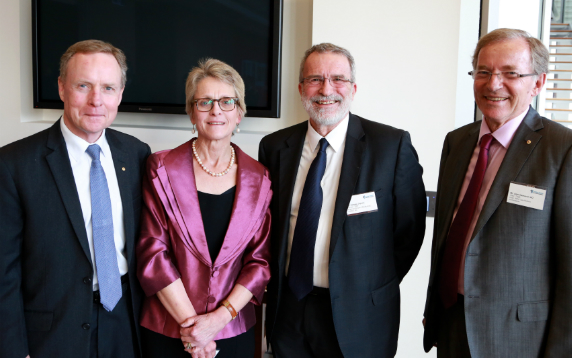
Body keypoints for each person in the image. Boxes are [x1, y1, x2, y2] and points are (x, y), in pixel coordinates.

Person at [423, 28, 572, 357]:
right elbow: (447, 237)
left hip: (520, 340)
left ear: (538, 83)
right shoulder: (457, 143)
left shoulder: (568, 152)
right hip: (452, 326)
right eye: (484, 72)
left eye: (510, 74)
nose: (493, 84)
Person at [258, 43, 426, 358]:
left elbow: (409, 231)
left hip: (362, 314)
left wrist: (370, 283)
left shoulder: (390, 147)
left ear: (353, 88)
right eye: (315, 79)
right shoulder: (275, 147)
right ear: (300, 88)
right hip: (289, 311)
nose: (326, 89)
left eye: (338, 79)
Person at [0, 40, 151, 358]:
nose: (97, 100)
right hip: (52, 332)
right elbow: (4, 271)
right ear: (62, 88)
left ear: (120, 94)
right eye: (83, 85)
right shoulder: (13, 164)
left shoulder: (136, 154)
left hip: (125, 323)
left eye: (108, 88)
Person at [136, 58, 272, 358]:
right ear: (190, 111)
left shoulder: (259, 177)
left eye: (226, 101)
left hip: (233, 330)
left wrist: (216, 322)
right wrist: (194, 332)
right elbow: (152, 253)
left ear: (239, 113)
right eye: (205, 102)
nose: (216, 111)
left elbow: (258, 263)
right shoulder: (161, 167)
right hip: (167, 328)